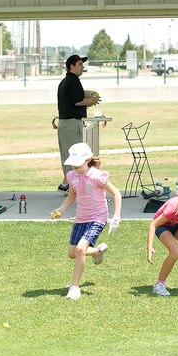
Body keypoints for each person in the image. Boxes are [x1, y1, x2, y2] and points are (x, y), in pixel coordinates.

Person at [49, 143, 122, 300]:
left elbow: (116, 193)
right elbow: (71, 196)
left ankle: (74, 287)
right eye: (73, 162)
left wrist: (116, 217)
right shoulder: (71, 176)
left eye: (78, 161)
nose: (75, 165)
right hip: (80, 218)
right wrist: (60, 210)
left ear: (88, 159)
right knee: (72, 254)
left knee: (80, 249)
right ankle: (97, 251)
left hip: (98, 218)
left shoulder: (97, 176)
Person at [56, 54, 100, 192]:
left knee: (67, 155)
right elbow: (78, 101)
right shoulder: (74, 81)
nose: (82, 67)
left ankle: (66, 184)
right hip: (71, 124)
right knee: (76, 156)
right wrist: (91, 101)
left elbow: (72, 102)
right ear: (72, 66)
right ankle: (72, 187)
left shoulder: (64, 82)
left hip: (64, 124)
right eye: (80, 64)